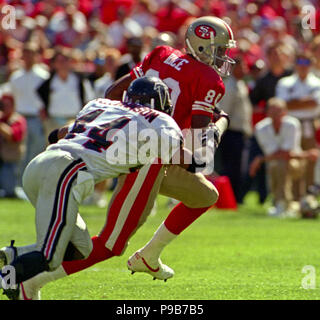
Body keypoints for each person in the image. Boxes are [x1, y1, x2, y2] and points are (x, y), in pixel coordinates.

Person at [1, 16, 234, 299]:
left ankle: (150, 254)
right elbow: (200, 150)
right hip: (151, 155)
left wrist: (126, 124)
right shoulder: (208, 78)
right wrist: (221, 123)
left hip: (117, 150)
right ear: (202, 46)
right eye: (220, 49)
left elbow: (113, 92)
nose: (224, 56)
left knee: (206, 195)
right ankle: (30, 281)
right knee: (110, 243)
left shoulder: (162, 54)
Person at [249, 98, 314, 217]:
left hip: (295, 163)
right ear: (267, 113)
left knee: (279, 164)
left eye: (279, 111)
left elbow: (287, 153)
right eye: (273, 112)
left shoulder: (292, 124)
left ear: (285, 112)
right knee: (278, 164)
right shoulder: (260, 128)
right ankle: (282, 204)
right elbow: (274, 153)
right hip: (277, 164)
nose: (276, 115)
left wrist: (261, 159)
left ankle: (281, 203)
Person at [276, 51, 320, 195]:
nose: (303, 66)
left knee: (311, 158)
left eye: (306, 63)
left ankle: (309, 194)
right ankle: (294, 195)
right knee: (292, 157)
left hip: (309, 124)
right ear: (295, 64)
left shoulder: (316, 82)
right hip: (290, 123)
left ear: (311, 64)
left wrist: (294, 102)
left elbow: (315, 103)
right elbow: (282, 105)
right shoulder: (285, 82)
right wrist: (305, 102)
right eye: (300, 63)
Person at [9, 42, 49, 186]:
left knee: (35, 152)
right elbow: (12, 97)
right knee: (21, 153)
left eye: (31, 53)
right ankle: (18, 184)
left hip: (36, 117)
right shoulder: (16, 76)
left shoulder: (43, 76)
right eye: (25, 54)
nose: (28, 57)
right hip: (20, 117)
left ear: (36, 56)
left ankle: (31, 184)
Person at [37, 47, 95, 139]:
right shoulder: (47, 82)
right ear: (54, 64)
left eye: (65, 60)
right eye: (59, 61)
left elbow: (88, 101)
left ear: (70, 62)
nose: (62, 64)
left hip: (74, 122)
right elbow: (40, 103)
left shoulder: (80, 80)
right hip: (53, 122)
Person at [0, 93, 27, 198]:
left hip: (10, 160)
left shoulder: (17, 120)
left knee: (9, 192)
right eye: (3, 105)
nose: (5, 108)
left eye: (8, 105)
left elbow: (14, 136)